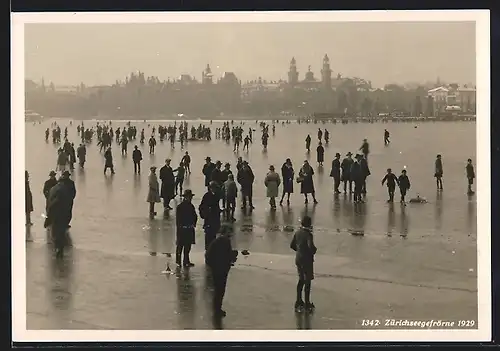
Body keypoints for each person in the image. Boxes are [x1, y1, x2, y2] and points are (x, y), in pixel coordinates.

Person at [205, 225, 239, 317]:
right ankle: (217, 309)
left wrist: (212, 266)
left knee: (217, 290)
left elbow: (208, 255)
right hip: (222, 269)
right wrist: (233, 256)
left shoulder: (216, 241)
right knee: (220, 290)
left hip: (217, 269)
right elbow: (227, 256)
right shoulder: (225, 241)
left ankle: (216, 309)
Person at [290, 215, 317, 313]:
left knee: (301, 279)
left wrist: (299, 251)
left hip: (298, 258)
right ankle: (307, 302)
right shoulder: (308, 234)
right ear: (309, 224)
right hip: (307, 260)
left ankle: (298, 300)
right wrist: (314, 250)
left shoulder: (297, 233)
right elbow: (311, 247)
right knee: (308, 281)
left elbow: (292, 245)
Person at [175, 189, 197, 267]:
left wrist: (193, 224)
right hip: (184, 229)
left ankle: (184, 261)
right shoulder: (182, 207)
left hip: (186, 229)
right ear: (185, 197)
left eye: (190, 197)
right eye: (189, 197)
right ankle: (180, 261)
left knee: (186, 246)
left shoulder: (188, 206)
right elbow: (178, 219)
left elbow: (194, 216)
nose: (190, 198)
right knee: (181, 246)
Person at [199, 181, 222, 255]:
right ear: (211, 188)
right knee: (208, 237)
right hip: (209, 220)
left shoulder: (216, 196)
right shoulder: (207, 196)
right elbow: (202, 207)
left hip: (215, 220)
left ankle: (212, 252)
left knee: (213, 236)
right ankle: (208, 252)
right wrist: (205, 214)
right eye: (214, 188)